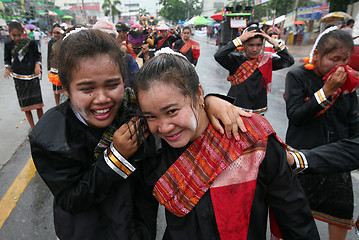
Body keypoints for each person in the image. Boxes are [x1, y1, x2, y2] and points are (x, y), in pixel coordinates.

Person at [29, 28, 252, 240]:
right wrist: (115, 158)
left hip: (136, 229)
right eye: (87, 89)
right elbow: (71, 200)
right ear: (66, 89)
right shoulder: (49, 138)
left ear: (124, 81)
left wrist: (208, 102)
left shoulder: (138, 111)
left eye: (112, 84)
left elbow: (178, 111)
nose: (102, 98)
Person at [132, 51, 320, 239]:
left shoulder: (253, 139)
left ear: (198, 94)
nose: (164, 127)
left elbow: (295, 218)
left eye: (172, 111)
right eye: (151, 116)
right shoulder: (152, 147)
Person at [284, 26, 359, 240]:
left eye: (345, 60)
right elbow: (296, 115)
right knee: (293, 218)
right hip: (301, 158)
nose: (340, 66)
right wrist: (326, 91)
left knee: (341, 214)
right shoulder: (297, 76)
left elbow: (354, 121)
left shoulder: (347, 81)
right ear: (316, 55)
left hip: (337, 160)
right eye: (334, 59)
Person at [214, 25, 294, 114]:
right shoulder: (235, 60)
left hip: (258, 111)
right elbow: (219, 55)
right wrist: (239, 40)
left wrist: (273, 42)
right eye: (251, 45)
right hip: (236, 110)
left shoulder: (266, 61)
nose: (255, 49)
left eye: (259, 45)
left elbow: (289, 61)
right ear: (243, 45)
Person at [4, 20, 43, 129]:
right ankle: (33, 128)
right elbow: (7, 59)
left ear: (23, 32)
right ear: (9, 33)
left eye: (19, 35)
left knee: (38, 105)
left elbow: (37, 56)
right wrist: (8, 68)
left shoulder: (30, 42)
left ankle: (42, 127)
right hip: (19, 78)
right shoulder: (8, 44)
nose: (17, 38)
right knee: (26, 106)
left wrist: (37, 66)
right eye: (14, 35)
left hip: (32, 76)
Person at [47, 23, 63, 105]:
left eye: (58, 33)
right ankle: (57, 105)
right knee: (56, 89)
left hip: (63, 68)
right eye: (54, 33)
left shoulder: (65, 40)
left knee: (65, 88)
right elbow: (48, 56)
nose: (56, 35)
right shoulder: (51, 42)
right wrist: (48, 69)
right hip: (54, 68)